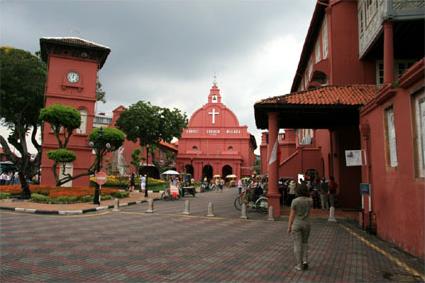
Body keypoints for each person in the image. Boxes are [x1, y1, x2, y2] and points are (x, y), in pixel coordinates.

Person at [287, 182, 313, 271]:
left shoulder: (295, 201)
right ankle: (305, 261)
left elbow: (292, 215)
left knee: (297, 244)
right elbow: (309, 213)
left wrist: (289, 226)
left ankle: (299, 265)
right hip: (307, 223)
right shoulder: (310, 200)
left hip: (297, 223)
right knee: (305, 243)